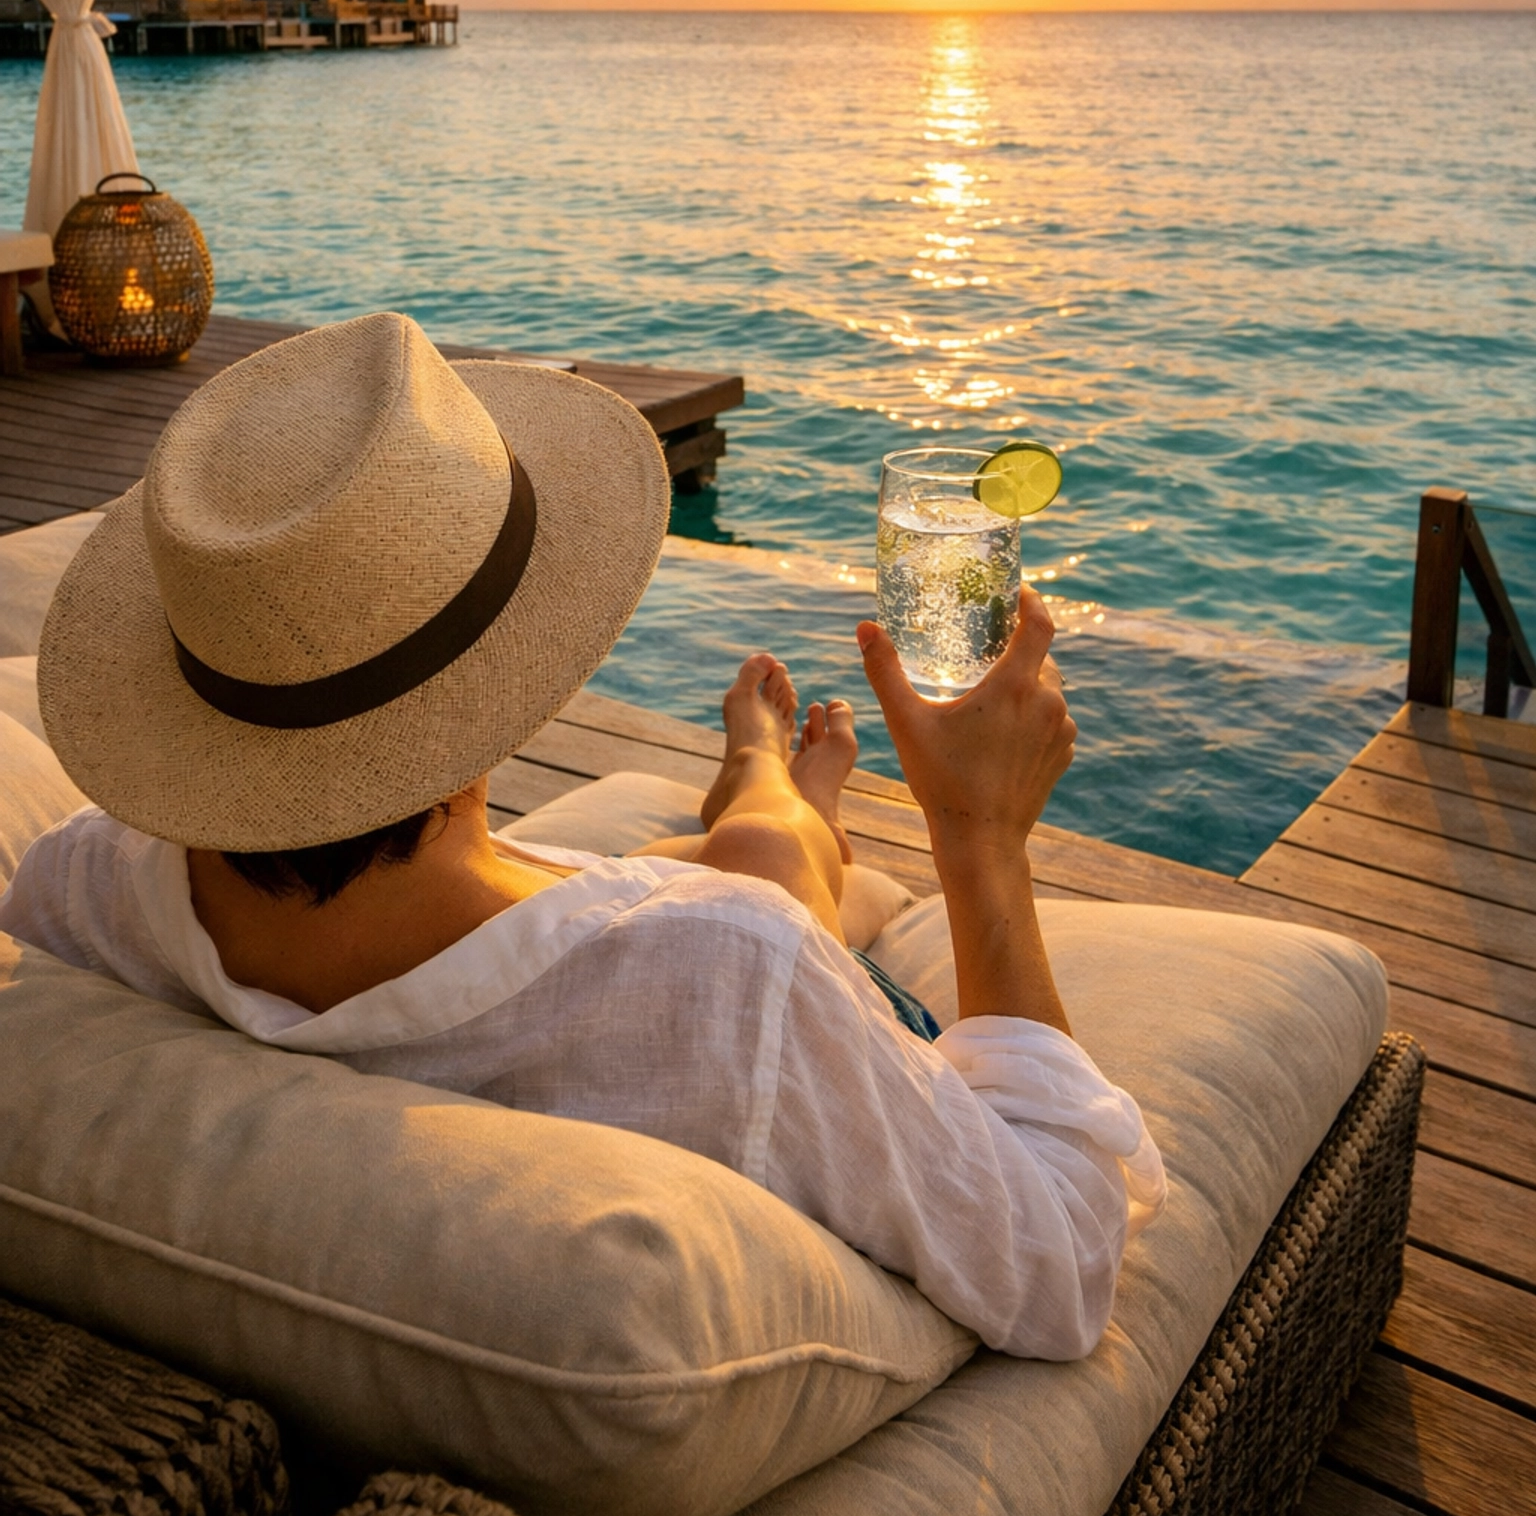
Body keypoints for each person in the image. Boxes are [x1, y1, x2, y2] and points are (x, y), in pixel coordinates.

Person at [1, 312, 1163, 1360]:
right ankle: (771, 783)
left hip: (513, 926)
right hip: (741, 962)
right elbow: (1064, 1260)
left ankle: (765, 781)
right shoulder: (732, 981)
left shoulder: (77, 887)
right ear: (495, 675)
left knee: (748, 868)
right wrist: (979, 833)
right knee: (771, 872)